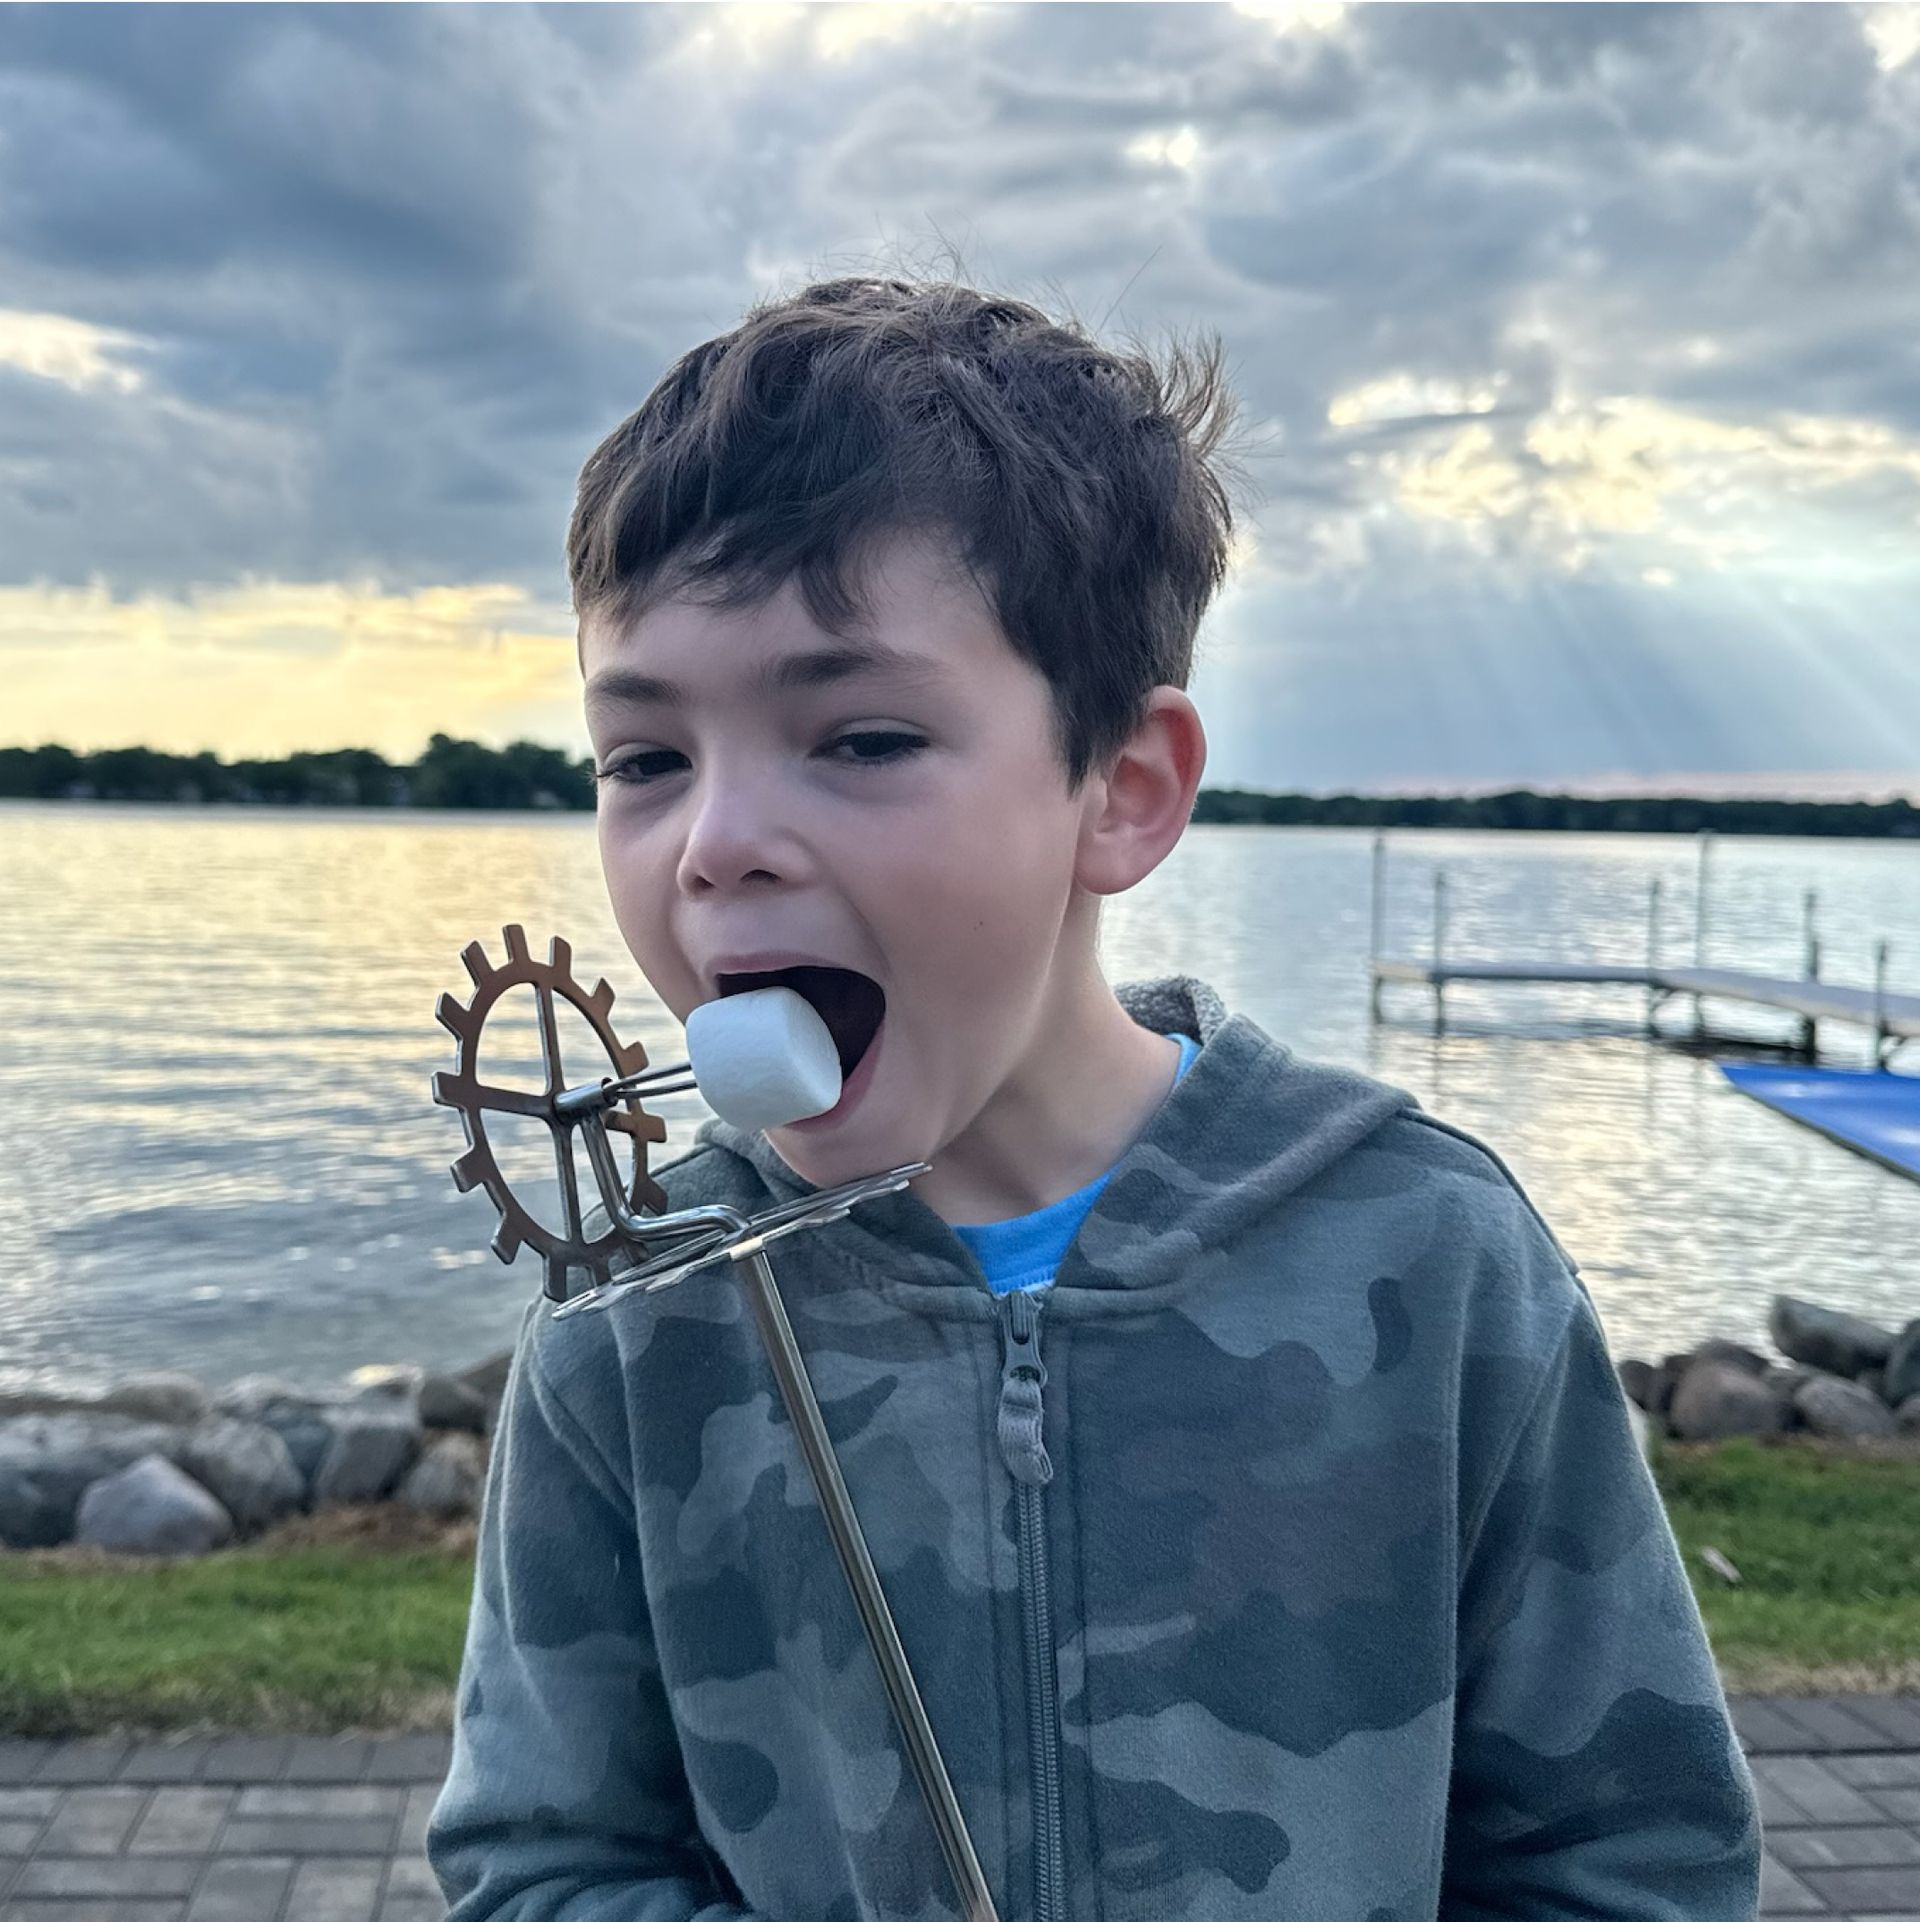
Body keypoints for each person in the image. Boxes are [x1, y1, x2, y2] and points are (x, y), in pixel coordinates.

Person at [426, 273, 1761, 1920]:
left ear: (1121, 793)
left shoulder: (1430, 1254)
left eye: (856, 736)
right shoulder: (629, 1324)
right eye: (646, 759)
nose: (711, 843)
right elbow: (542, 1857)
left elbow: (1634, 1855)